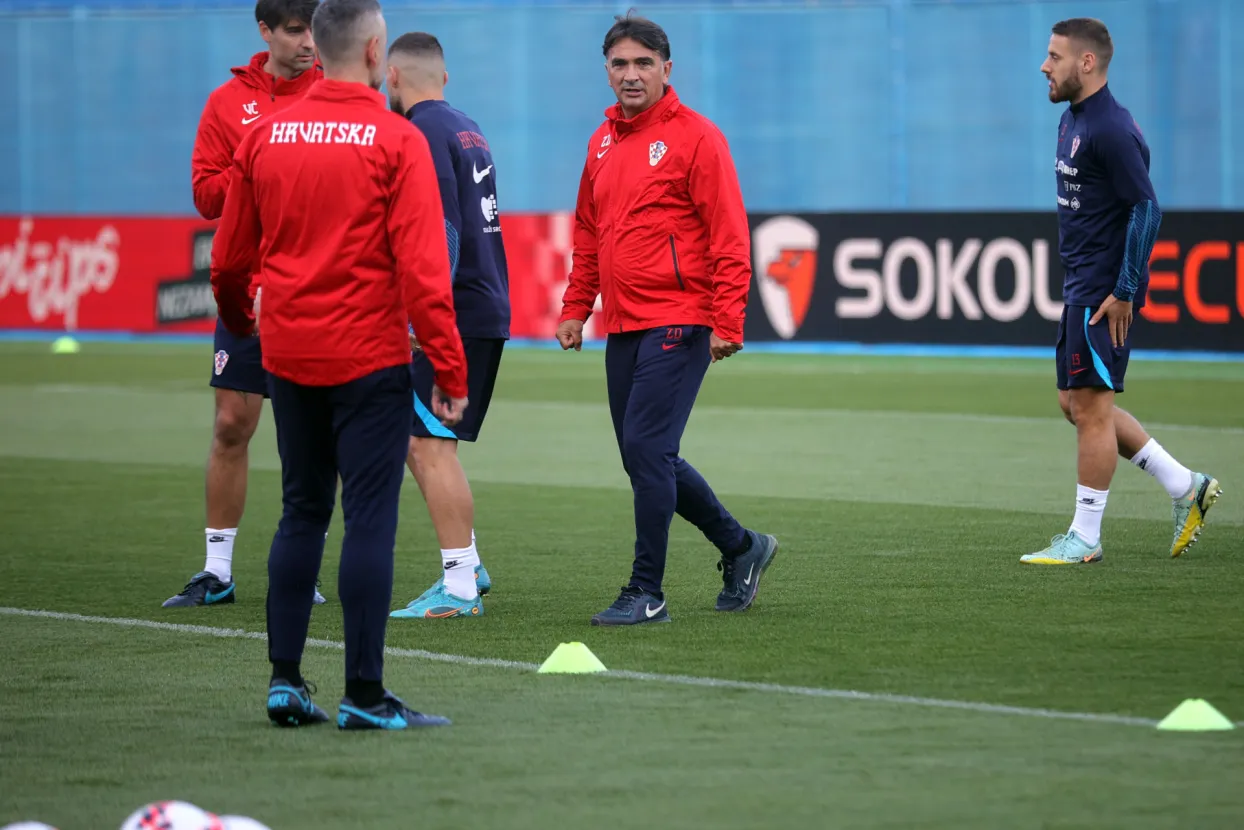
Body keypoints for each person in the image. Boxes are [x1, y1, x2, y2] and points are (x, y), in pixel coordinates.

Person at [210, 0, 469, 730]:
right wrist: (450, 370)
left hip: (288, 353)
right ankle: (364, 693)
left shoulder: (263, 134)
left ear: (315, 47)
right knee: (369, 523)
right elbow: (424, 271)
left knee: (300, 512)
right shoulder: (394, 139)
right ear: (375, 49)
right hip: (368, 358)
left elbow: (228, 260)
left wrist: (240, 321)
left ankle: (286, 681)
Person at [556, 13, 778, 626]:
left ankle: (646, 591)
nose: (631, 75)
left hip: (682, 315)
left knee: (648, 449)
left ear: (666, 69)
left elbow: (730, 234)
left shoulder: (698, 138)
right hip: (624, 321)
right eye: (620, 64)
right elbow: (589, 229)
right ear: (606, 71)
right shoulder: (601, 141)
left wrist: (728, 317)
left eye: (643, 64)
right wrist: (577, 307)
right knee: (642, 455)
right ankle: (741, 547)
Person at [1022, 18, 1222, 565]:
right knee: (1076, 404)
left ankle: (1085, 537)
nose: (1045, 65)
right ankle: (1186, 485)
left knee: (1090, 408)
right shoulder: (1073, 121)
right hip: (1081, 282)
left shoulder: (1110, 127)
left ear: (1087, 63)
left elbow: (1147, 207)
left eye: (1055, 56)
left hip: (1104, 291)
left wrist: (1126, 287)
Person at [167, 0, 327, 608]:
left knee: (306, 437)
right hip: (248, 294)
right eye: (294, 30)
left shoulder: (337, 96)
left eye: (314, 28)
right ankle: (217, 571)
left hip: (316, 292)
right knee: (232, 425)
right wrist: (256, 160)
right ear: (265, 31)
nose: (308, 41)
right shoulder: (227, 104)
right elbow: (206, 195)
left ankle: (300, 566)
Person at [383, 32, 511, 620]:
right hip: (481, 304)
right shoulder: (466, 125)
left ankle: (459, 587)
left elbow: (442, 232)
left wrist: (421, 312)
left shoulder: (423, 132)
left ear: (391, 78)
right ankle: (471, 564)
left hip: (454, 310)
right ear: (444, 77)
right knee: (423, 441)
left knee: (427, 444)